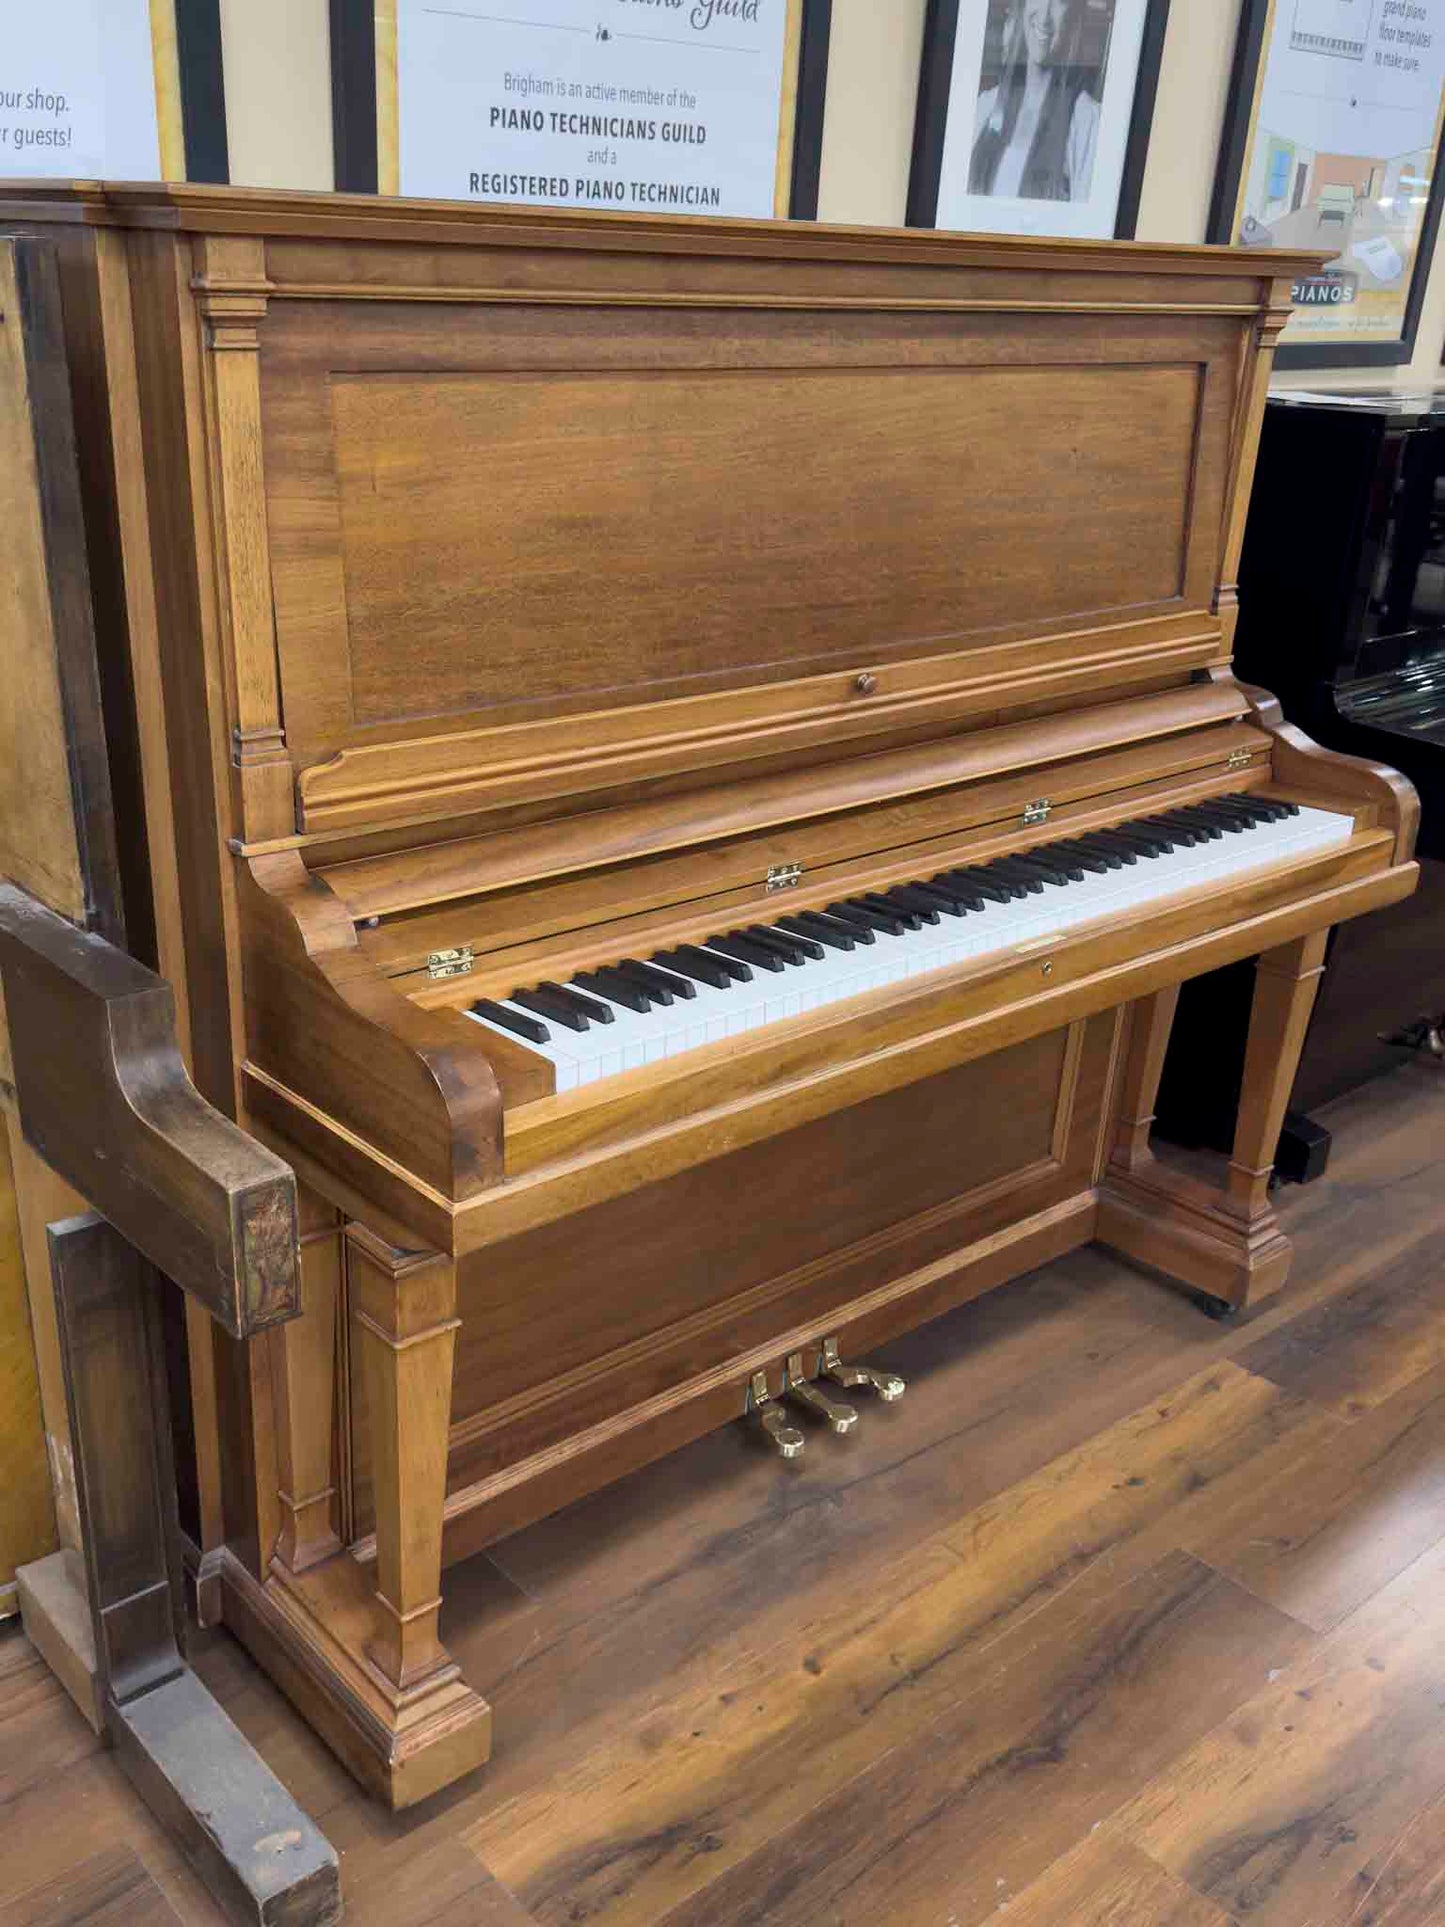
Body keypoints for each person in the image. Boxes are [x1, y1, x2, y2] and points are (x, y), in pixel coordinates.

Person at [969, 0, 1104, 203]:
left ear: (1073, 14)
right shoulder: (985, 107)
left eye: (1059, 2)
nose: (1045, 15)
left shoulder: (1088, 123)